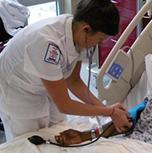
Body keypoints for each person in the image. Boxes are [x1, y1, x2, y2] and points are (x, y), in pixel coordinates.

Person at [0, 0, 131, 141]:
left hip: (44, 82)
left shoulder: (76, 32)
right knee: (28, 142)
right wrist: (109, 111)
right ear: (86, 29)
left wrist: (107, 110)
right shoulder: (47, 43)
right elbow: (65, 105)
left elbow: (73, 81)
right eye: (99, 39)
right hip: (16, 89)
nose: (99, 44)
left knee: (58, 129)